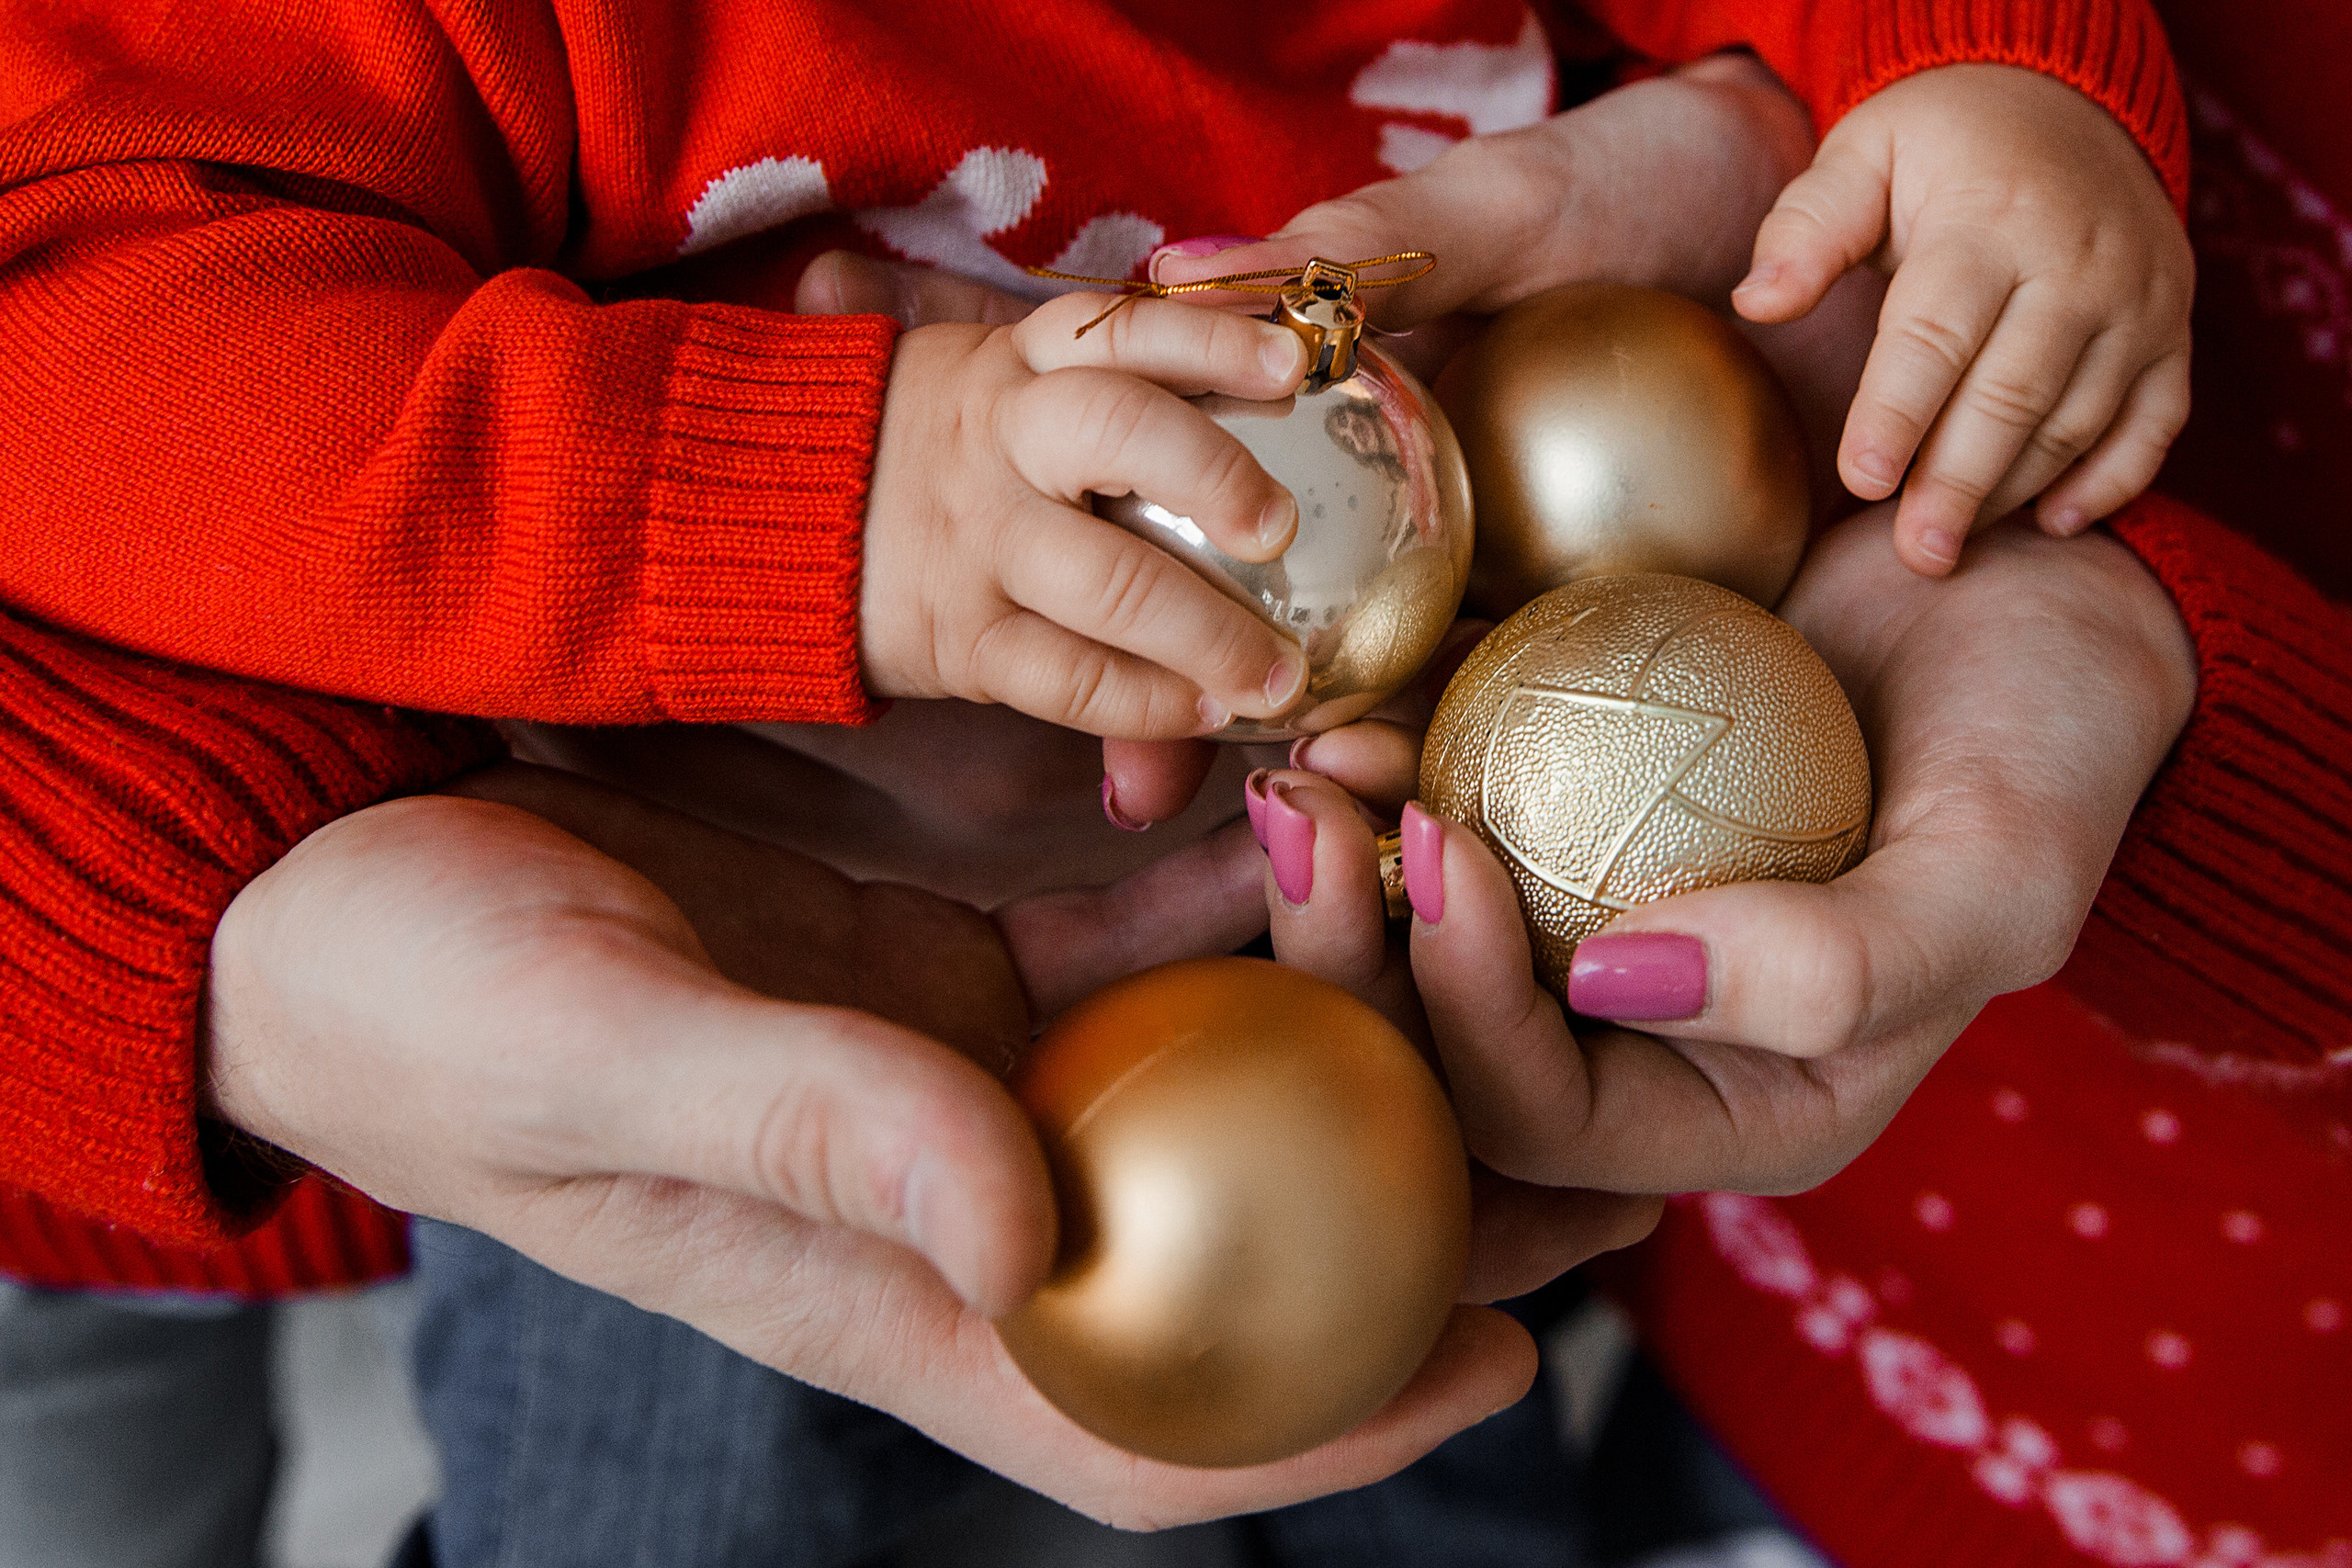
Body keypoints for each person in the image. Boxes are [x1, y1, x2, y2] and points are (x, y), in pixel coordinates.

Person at [0, 0, 2261, 1563]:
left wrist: (1975, 75)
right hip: (724, 919)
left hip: (1335, 916)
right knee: (664, 1499)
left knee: (1384, 1418)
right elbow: (84, 329)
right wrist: (826, 497)